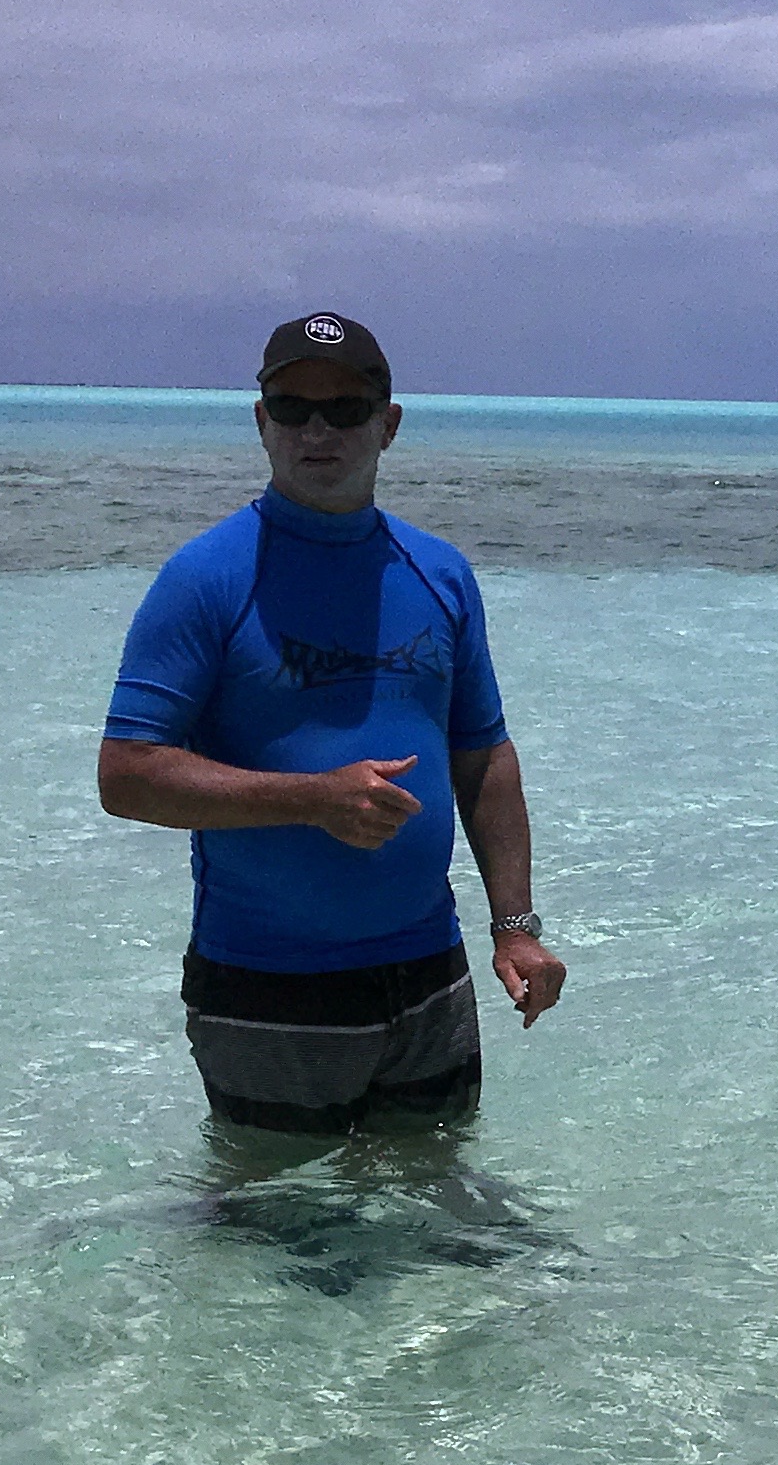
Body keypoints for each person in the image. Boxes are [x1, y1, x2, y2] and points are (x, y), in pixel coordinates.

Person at [97, 311, 565, 1141]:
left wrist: (515, 928)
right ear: (261, 422)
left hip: (429, 976)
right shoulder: (207, 577)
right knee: (276, 1246)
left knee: (433, 1216)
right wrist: (312, 798)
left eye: (345, 410)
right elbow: (127, 775)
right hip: (268, 985)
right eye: (292, 408)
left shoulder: (440, 572)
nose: (318, 430)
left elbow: (483, 754)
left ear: (387, 426)